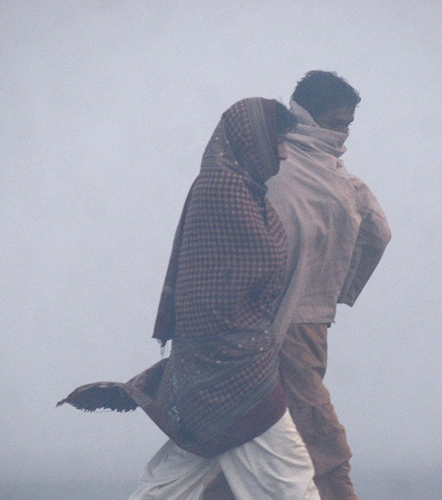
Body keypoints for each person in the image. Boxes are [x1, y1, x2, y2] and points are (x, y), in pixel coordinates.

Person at [58, 97, 319, 500]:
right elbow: (243, 276)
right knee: (289, 478)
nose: (283, 154)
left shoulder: (245, 191)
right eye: (278, 142)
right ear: (252, 140)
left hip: (217, 362)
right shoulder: (225, 192)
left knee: (174, 478)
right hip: (234, 366)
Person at [202, 72, 391, 500]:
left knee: (250, 428)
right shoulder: (337, 181)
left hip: (266, 324)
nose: (343, 134)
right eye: (336, 123)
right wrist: (335, 286)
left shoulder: (271, 169)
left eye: (348, 125)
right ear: (309, 116)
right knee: (315, 433)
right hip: (292, 327)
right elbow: (378, 235)